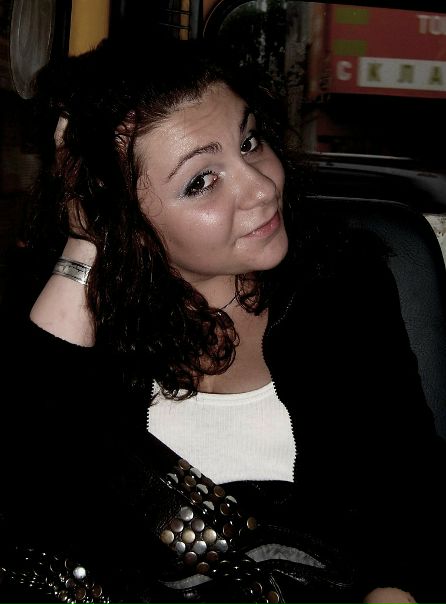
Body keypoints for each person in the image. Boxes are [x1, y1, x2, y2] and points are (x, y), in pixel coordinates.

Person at [0, 35, 445, 604]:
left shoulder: (338, 285)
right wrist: (87, 244)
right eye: (202, 181)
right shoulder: (68, 315)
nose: (262, 186)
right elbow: (26, 497)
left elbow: (411, 497)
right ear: (124, 216)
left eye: (250, 142)